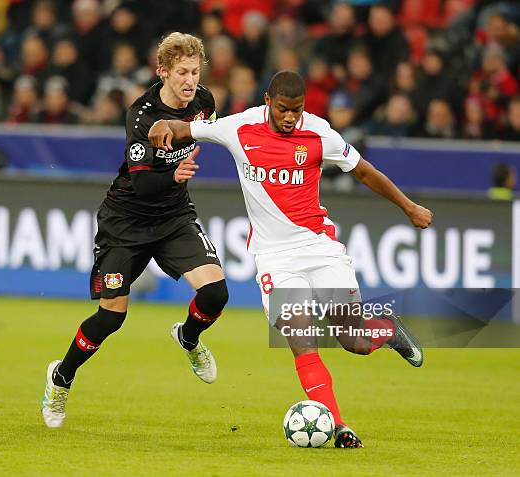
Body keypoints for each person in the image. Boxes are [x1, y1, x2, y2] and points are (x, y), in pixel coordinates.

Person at [148, 70, 433, 448]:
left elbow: (363, 171)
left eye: (296, 111)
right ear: (268, 101)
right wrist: (159, 126)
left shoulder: (318, 133)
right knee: (302, 337)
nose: (289, 118)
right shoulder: (240, 126)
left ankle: (387, 329)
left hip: (320, 247)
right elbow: (183, 128)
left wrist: (409, 207)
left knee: (355, 342)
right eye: (283, 109)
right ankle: (339, 425)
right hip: (274, 258)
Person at [41, 32, 229, 428]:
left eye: (195, 71)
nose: (190, 80)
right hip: (126, 220)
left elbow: (208, 132)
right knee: (111, 318)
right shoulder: (141, 116)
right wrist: (175, 173)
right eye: (181, 72)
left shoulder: (204, 103)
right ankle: (61, 378)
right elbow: (142, 184)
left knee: (215, 293)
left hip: (174, 216)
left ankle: (189, 338)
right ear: (163, 71)